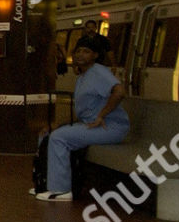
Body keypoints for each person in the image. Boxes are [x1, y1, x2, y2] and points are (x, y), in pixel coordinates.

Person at [33, 35, 128, 202]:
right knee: (46, 134)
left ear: (96, 55)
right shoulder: (83, 76)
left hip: (110, 127)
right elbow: (84, 111)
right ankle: (44, 183)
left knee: (59, 138)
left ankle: (61, 190)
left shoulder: (98, 71)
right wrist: (59, 124)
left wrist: (101, 115)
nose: (80, 55)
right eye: (78, 51)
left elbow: (119, 91)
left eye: (86, 51)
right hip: (92, 125)